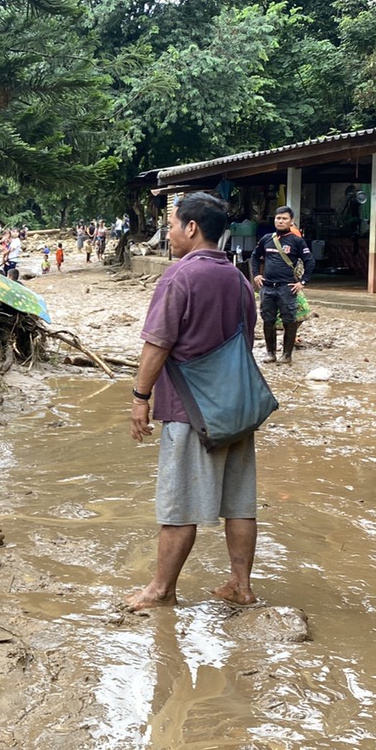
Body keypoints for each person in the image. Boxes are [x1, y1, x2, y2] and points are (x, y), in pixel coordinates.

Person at [126, 192, 259, 611]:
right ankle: (241, 585)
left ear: (191, 228)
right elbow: (247, 338)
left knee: (179, 505)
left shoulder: (179, 276)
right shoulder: (237, 278)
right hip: (237, 407)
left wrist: (139, 398)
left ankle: (161, 590)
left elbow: (157, 344)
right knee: (239, 503)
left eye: (171, 226)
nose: (168, 234)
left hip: (192, 410)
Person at [250, 205, 314, 364]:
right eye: (278, 218)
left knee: (289, 320)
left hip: (287, 288)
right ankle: (270, 353)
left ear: (291, 221)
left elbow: (310, 261)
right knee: (268, 320)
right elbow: (254, 257)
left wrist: (302, 282)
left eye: (284, 218)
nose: (280, 221)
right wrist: (257, 275)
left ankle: (287, 355)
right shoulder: (266, 239)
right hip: (268, 287)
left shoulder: (297, 241)